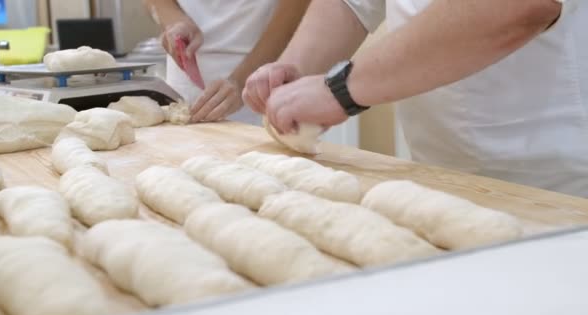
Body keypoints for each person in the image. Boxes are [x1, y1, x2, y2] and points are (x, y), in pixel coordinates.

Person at [243, 0, 588, 198]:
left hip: (558, 183)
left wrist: (341, 89)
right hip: (441, 176)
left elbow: (520, 4)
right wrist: (297, 67)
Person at [144, 0, 310, 125]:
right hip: (180, 95)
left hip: (263, 93)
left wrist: (241, 80)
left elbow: (297, 11)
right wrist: (172, 19)